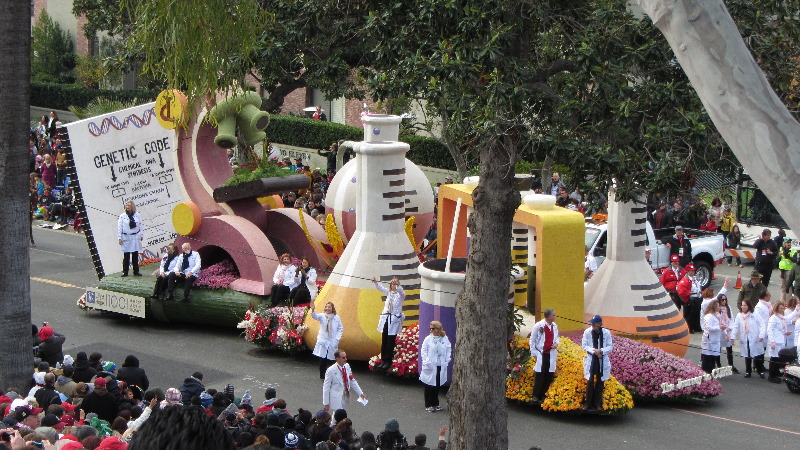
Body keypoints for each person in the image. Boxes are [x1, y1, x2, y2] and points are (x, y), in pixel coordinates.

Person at [372, 277, 406, 369]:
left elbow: (401, 291)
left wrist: (397, 285)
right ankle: (383, 360)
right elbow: (381, 288)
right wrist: (375, 282)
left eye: (394, 284)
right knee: (384, 339)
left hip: (394, 320)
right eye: (391, 283)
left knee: (390, 341)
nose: (392, 285)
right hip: (386, 318)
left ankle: (388, 361)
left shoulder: (401, 295)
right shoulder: (389, 293)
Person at [581, 315, 612, 412]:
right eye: (592, 323)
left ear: (600, 324)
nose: (593, 325)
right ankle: (587, 403)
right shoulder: (587, 332)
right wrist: (595, 351)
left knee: (600, 381)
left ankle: (597, 404)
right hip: (591, 358)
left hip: (601, 359)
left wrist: (601, 351)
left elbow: (610, 346)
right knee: (590, 381)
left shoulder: (606, 333)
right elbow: (584, 346)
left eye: (595, 324)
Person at [420, 321, 452, 413]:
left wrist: (446, 360)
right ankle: (428, 404)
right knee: (429, 385)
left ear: (438, 329)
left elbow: (448, 349)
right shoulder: (428, 339)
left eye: (433, 328)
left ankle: (435, 403)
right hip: (430, 365)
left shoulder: (444, 338)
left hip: (440, 365)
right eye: (430, 328)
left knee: (437, 385)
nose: (431, 330)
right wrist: (427, 362)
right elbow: (423, 351)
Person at [528, 309, 559, 404]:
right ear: (549, 317)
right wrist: (534, 353)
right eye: (554, 315)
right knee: (540, 374)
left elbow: (557, 338)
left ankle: (542, 395)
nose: (555, 316)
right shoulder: (539, 326)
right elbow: (532, 340)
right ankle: (535, 395)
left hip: (551, 353)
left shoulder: (554, 326)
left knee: (549, 374)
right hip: (541, 353)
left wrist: (556, 344)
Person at [730, 300, 766, 378]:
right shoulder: (739, 315)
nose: (743, 307)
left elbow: (762, 324)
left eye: (745, 305)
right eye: (742, 305)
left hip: (755, 338)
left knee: (757, 355)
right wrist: (733, 337)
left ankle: (760, 370)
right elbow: (735, 326)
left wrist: (761, 335)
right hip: (745, 338)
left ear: (749, 306)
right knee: (747, 355)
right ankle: (748, 371)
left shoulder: (755, 314)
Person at [310, 302, 344, 380]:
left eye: (329, 307)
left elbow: (340, 328)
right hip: (323, 340)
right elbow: (315, 316)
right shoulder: (322, 316)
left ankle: (333, 375)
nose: (327, 308)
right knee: (323, 359)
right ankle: (323, 376)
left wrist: (337, 338)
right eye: (326, 307)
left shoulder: (336, 317)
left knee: (332, 359)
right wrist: (313, 310)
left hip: (332, 340)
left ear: (332, 308)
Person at [767, 300, 792, 384]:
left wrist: (786, 332)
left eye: (783, 308)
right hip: (775, 342)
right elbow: (770, 330)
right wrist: (772, 341)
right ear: (776, 308)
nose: (782, 310)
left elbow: (784, 325)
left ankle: (776, 373)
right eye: (780, 308)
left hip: (780, 341)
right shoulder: (773, 318)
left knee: (778, 358)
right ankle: (771, 376)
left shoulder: (781, 317)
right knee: (774, 358)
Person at [117, 200, 143, 277]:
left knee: (135, 255)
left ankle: (136, 271)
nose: (127, 207)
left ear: (132, 206)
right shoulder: (122, 216)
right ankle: (125, 272)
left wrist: (141, 235)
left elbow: (140, 225)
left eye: (129, 205)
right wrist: (119, 237)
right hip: (126, 237)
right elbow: (119, 227)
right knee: (126, 256)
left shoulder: (137, 215)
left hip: (135, 236)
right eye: (126, 205)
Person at [753, 290, 773, 378]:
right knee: (759, 351)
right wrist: (761, 332)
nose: (770, 296)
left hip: (765, 331)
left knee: (763, 349)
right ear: (765, 297)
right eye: (769, 295)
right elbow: (758, 321)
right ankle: (757, 366)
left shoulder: (766, 305)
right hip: (761, 332)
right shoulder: (759, 307)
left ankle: (760, 365)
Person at [700, 301, 725, 373]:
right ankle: (706, 372)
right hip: (709, 339)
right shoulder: (709, 316)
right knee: (708, 357)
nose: (719, 308)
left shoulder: (717, 315)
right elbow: (709, 328)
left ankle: (711, 371)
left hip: (715, 338)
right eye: (718, 306)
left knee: (713, 357)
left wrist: (722, 328)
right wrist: (719, 327)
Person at [717, 294, 739, 373]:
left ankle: (731, 365)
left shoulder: (728, 308)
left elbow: (731, 319)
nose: (724, 301)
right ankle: (718, 365)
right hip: (720, 332)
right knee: (718, 349)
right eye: (722, 300)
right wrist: (724, 330)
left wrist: (730, 328)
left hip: (728, 330)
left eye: (725, 299)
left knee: (729, 349)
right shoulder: (717, 309)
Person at [676, 264, 702, 332]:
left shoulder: (694, 279)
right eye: (691, 271)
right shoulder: (685, 280)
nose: (693, 272)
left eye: (693, 271)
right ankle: (689, 328)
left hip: (697, 298)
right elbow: (681, 292)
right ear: (687, 271)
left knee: (697, 314)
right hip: (690, 299)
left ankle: (696, 327)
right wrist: (689, 295)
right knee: (689, 315)